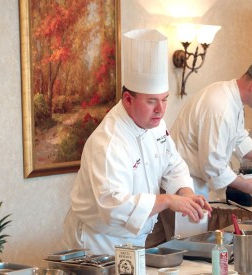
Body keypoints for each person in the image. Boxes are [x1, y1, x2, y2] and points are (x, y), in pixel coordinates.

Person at [60, 29, 212, 255]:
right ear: (128, 100)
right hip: (98, 244)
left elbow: (173, 164)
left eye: (164, 100)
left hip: (135, 240)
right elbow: (114, 207)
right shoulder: (109, 142)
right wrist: (168, 200)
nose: (160, 110)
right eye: (152, 101)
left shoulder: (155, 123)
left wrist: (185, 192)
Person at [170, 59, 252, 201]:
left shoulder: (232, 99)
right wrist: (245, 185)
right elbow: (213, 166)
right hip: (181, 186)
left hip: (194, 184)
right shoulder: (221, 108)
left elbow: (240, 140)